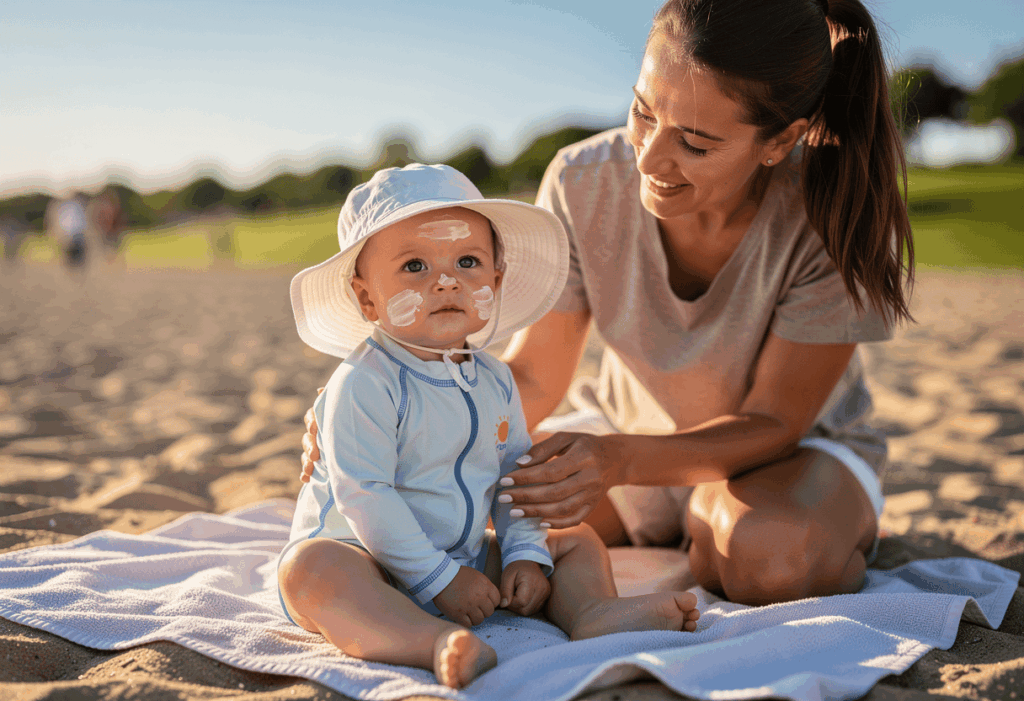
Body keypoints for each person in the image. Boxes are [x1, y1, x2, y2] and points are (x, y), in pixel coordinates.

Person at [300, 0, 914, 608]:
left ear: (779, 141)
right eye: (643, 113)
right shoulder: (580, 180)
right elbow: (536, 375)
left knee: (768, 562)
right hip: (624, 443)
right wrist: (375, 410)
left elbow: (776, 422)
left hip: (786, 454)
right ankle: (694, 527)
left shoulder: (834, 212)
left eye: (695, 144)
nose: (647, 158)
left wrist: (620, 461)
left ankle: (741, 521)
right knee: (446, 521)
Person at [278, 164, 700, 690]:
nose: (447, 279)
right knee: (310, 572)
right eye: (414, 265)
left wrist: (523, 552)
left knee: (575, 538)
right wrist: (439, 580)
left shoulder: (494, 379)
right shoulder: (365, 382)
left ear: (495, 280)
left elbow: (513, 474)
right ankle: (429, 641)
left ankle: (592, 612)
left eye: (468, 261)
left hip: (465, 553)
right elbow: (364, 495)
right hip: (371, 558)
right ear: (367, 298)